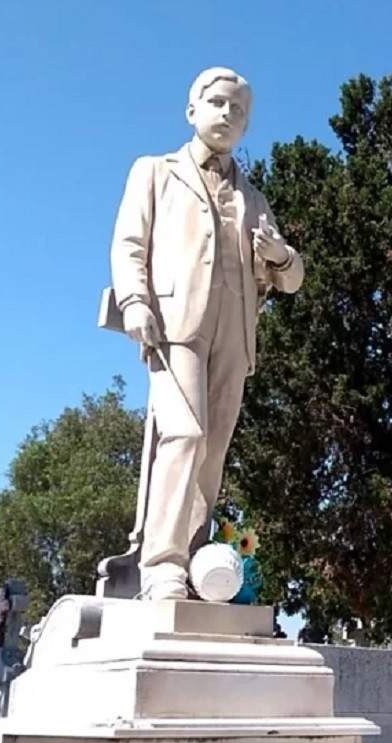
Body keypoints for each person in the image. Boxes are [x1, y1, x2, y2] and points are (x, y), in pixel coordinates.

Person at [109, 67, 304, 601]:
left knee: (213, 449)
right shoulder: (155, 171)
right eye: (217, 103)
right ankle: (162, 563)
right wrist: (134, 301)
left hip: (235, 334)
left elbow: (292, 277)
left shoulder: (254, 198)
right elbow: (129, 243)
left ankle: (195, 557)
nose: (227, 115)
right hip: (175, 326)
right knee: (184, 433)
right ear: (191, 109)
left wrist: (280, 256)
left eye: (238, 109)